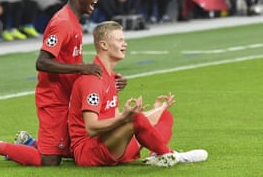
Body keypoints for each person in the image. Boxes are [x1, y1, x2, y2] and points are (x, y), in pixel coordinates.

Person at [0, 0, 125, 166]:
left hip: (67, 96)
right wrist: (82, 67)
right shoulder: (62, 23)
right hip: (53, 97)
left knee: (71, 151)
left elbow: (72, 61)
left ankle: (30, 143)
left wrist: (107, 76)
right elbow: (42, 62)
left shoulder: (74, 22)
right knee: (49, 161)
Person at [68, 21, 208, 167]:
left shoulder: (110, 75)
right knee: (137, 119)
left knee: (163, 114)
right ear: (104, 45)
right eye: (120, 40)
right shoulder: (93, 80)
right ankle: (170, 155)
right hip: (90, 152)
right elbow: (91, 128)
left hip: (112, 143)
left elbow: (112, 116)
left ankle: (157, 156)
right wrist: (126, 117)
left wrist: (156, 109)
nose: (125, 44)